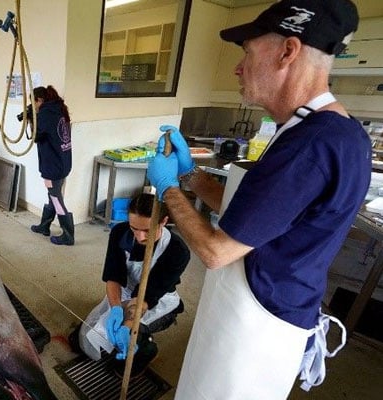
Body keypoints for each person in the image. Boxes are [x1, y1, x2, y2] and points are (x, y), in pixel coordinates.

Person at [146, 1, 370, 398]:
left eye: (247, 53)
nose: (237, 67)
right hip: (273, 308)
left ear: (288, 51)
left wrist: (167, 189)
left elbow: (217, 251)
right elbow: (257, 215)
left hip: (255, 327)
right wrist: (190, 175)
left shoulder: (310, 146)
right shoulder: (329, 130)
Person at [72, 192, 190, 377]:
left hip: (155, 301)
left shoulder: (177, 251)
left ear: (164, 221)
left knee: (124, 357)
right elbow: (113, 276)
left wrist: (128, 325)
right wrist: (116, 309)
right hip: (126, 293)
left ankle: (148, 348)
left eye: (147, 230)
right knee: (81, 341)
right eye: (134, 228)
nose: (140, 236)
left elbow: (147, 296)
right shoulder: (120, 232)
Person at [29, 85, 74, 245]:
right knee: (52, 194)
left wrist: (32, 119)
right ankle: (44, 226)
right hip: (63, 162)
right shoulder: (59, 109)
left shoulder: (46, 113)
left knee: (55, 197)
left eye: (33, 103)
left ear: (39, 100)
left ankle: (68, 234)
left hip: (53, 165)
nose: (33, 106)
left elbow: (36, 136)